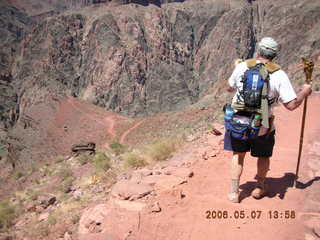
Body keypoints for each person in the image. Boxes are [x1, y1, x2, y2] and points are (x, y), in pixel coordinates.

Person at [224, 37, 312, 203]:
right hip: (263, 125)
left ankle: (234, 193)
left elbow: (229, 87)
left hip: (239, 121)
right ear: (274, 55)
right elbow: (291, 105)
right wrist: (304, 91)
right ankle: (260, 187)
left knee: (238, 154)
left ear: (258, 51)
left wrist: (237, 70)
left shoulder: (243, 66)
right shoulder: (279, 75)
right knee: (263, 156)